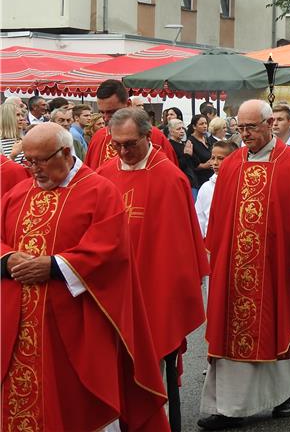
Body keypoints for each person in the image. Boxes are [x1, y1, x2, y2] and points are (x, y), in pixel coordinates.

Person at [1, 123, 169, 431]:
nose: (33, 169)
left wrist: (52, 266)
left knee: (73, 406)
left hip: (75, 324)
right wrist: (8, 258)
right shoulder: (16, 194)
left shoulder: (100, 191)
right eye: (28, 160)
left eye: (41, 161)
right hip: (19, 324)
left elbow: (110, 251)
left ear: (66, 153)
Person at [199, 100, 290, 430]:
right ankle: (229, 406)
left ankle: (283, 394)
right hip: (235, 272)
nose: (245, 134)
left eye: (251, 127)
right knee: (231, 331)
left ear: (270, 124)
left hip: (279, 269)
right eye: (241, 128)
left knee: (280, 325)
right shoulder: (232, 165)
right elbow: (219, 221)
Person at [98, 109, 208, 430]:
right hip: (112, 293)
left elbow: (177, 252)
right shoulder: (103, 175)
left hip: (154, 293)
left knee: (150, 359)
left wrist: (171, 301)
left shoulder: (170, 178)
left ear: (148, 137)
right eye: (115, 145)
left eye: (129, 144)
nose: (122, 152)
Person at [85, 80, 176, 169]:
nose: (106, 118)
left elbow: (170, 175)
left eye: (112, 112)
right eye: (102, 112)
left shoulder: (154, 136)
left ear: (128, 104)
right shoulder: (98, 138)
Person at [195, 140, 238, 238]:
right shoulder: (206, 187)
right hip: (209, 241)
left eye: (220, 158)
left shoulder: (239, 185)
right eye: (213, 158)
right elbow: (199, 218)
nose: (215, 163)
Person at [167, 119, 197, 188]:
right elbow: (176, 166)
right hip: (181, 183)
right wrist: (186, 155)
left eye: (183, 128)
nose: (182, 131)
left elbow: (195, 163)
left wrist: (192, 153)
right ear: (171, 131)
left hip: (192, 181)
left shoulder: (185, 144)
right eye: (178, 129)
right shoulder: (170, 146)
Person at [188, 114, 215, 193]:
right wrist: (204, 166)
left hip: (210, 177)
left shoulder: (207, 139)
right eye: (201, 124)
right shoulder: (190, 142)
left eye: (206, 123)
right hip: (199, 181)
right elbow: (191, 165)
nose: (204, 126)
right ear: (194, 126)